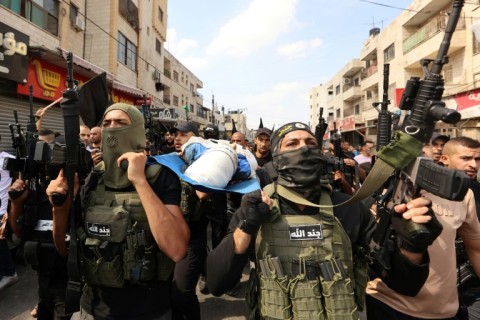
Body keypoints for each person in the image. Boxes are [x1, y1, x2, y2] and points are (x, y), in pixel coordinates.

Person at [207, 122, 440, 319]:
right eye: (292, 144)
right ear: (275, 159)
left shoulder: (348, 209)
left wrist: (413, 245)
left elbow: (405, 285)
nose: (304, 149)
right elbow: (217, 283)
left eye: (311, 144)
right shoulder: (258, 208)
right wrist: (246, 227)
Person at [44, 103, 190, 319]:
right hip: (93, 308)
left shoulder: (160, 177)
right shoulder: (94, 177)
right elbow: (65, 250)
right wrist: (60, 208)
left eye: (121, 123)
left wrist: (139, 181)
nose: (112, 129)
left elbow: (177, 249)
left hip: (148, 310)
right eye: (107, 123)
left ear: (137, 130)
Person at [366, 138, 480, 319]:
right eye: (466, 158)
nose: (473, 164)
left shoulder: (465, 194)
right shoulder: (389, 191)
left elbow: (475, 248)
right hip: (389, 303)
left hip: (445, 309)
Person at [8, 134, 72, 319]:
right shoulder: (35, 189)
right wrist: (17, 204)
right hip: (42, 270)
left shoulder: (81, 187)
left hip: (68, 275)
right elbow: (19, 233)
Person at [170, 121, 211, 319]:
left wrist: (192, 165)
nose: (177, 138)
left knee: (183, 293)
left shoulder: (207, 163)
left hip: (192, 240)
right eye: (175, 134)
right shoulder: (170, 161)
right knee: (170, 293)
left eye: (183, 135)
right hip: (168, 237)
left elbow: (202, 194)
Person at [440, 137, 480, 319]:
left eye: (477, 159)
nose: (473, 164)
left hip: (472, 282)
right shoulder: (425, 191)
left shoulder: (476, 191)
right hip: (436, 286)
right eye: (466, 158)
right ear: (444, 159)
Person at [0, 140, 17, 291]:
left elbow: (18, 181)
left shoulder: (8, 159)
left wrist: (9, 209)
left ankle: (10, 273)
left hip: (3, 210)